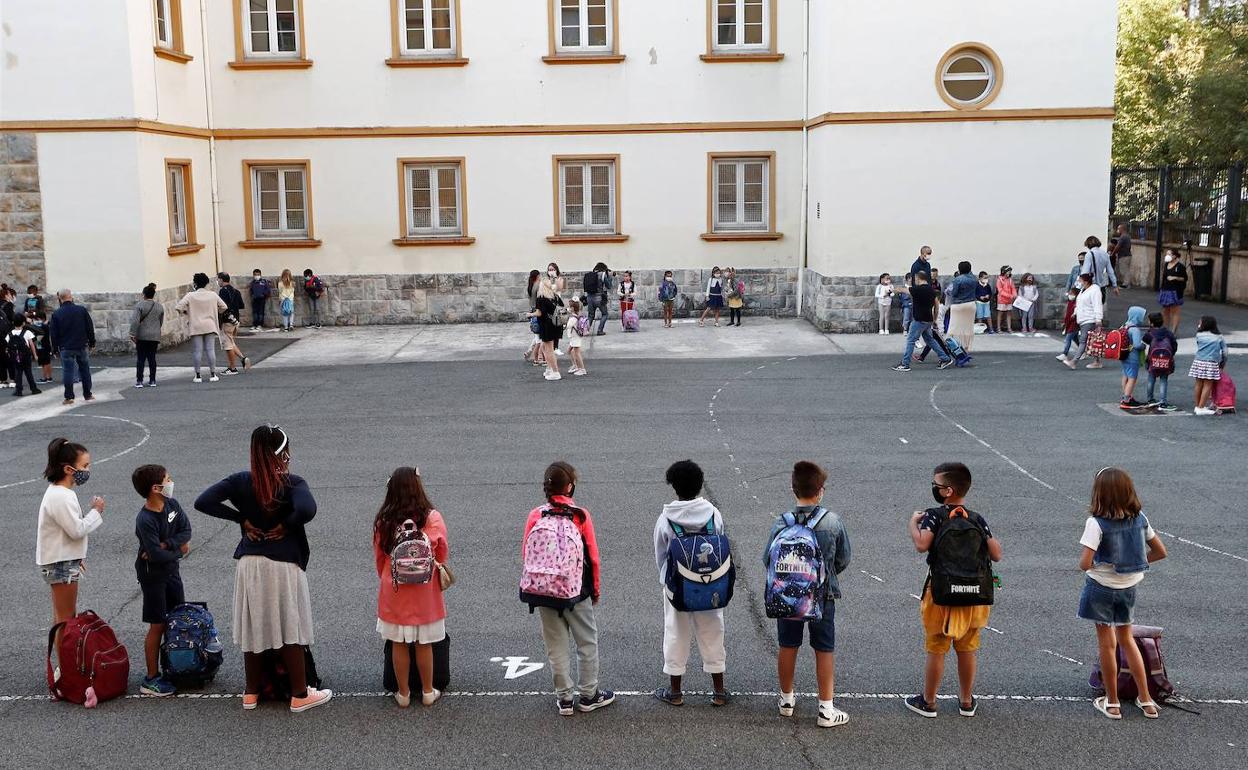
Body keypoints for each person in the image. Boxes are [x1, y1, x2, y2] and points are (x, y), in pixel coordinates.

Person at [194, 426, 332, 713]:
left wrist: (241, 519)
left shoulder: (240, 481)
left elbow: (203, 501)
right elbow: (307, 509)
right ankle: (299, 694)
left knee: (255, 626)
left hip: (250, 563)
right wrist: (286, 524)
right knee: (290, 627)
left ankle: (251, 692)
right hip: (282, 563)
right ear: (283, 453)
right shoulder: (292, 483)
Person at [906, 462, 1003, 719]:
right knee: (967, 647)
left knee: (937, 646)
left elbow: (922, 545)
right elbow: (996, 553)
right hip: (974, 594)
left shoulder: (935, 516)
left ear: (948, 491)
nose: (934, 488)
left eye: (936, 485)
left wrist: (913, 524)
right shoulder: (975, 518)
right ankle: (966, 701)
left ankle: (928, 701)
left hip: (941, 592)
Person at [523, 461, 614, 716]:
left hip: (544, 591)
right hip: (576, 591)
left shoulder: (536, 515)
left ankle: (564, 698)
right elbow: (593, 557)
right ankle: (589, 695)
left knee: (556, 646)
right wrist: (595, 590)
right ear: (570, 487)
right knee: (586, 642)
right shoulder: (580, 515)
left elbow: (527, 554)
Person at [767, 461, 851, 728]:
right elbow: (843, 558)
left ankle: (786, 700)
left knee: (788, 645)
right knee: (824, 648)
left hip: (788, 597)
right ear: (820, 491)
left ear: (793, 489)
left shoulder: (782, 522)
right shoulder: (832, 522)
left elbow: (768, 558)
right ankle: (826, 708)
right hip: (822, 595)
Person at [1078, 468, 1167, 720]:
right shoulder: (1140, 518)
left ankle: (1113, 702)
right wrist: (1134, 564)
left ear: (1099, 493)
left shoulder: (1096, 523)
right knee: (1127, 639)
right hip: (1128, 587)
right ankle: (1146, 700)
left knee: (1107, 645)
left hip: (1100, 587)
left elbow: (1084, 563)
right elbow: (1160, 551)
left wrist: (1100, 566)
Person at [652, 460, 728, 708]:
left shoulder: (666, 518)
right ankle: (719, 691)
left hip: (678, 587)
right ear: (700, 484)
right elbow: (720, 540)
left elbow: (660, 554)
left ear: (674, 487)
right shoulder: (713, 514)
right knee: (713, 631)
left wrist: (667, 579)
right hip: (711, 584)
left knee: (676, 632)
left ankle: (675, 692)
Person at [373, 467, 448, 708]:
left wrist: (388, 576)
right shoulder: (432, 518)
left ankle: (403, 693)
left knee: (399, 642)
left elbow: (380, 558)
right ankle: (427, 691)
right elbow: (442, 552)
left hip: (395, 588)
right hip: (425, 590)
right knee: (424, 643)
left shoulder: (384, 521)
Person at [37, 438, 105, 672]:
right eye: (84, 466)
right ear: (68, 469)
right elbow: (76, 530)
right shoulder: (61, 496)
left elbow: (64, 533)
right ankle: (66, 670)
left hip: (62, 560)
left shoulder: (60, 492)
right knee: (66, 619)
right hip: (61, 564)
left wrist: (76, 557)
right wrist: (96, 511)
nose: (87, 470)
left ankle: (65, 667)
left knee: (62, 617)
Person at [131, 464, 191, 697]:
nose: (171, 482)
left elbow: (186, 530)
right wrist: (179, 550)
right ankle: (151, 678)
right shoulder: (145, 519)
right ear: (156, 488)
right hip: (153, 576)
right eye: (168, 479)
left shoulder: (172, 505)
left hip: (172, 571)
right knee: (158, 624)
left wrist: (167, 544)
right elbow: (154, 556)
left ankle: (173, 665)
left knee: (176, 619)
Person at [892, 272, 952, 372]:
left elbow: (904, 290)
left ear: (918, 278)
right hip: (928, 319)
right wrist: (934, 320)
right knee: (930, 340)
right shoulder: (932, 290)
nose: (915, 281)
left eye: (915, 279)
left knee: (911, 340)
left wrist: (895, 289)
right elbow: (936, 307)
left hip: (919, 319)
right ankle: (945, 358)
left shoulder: (918, 289)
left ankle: (905, 364)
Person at [175, 274, 227, 384]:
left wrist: (186, 313)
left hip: (196, 325)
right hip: (210, 324)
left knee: (197, 351)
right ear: (207, 283)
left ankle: (198, 375)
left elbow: (178, 307)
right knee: (210, 350)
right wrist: (216, 312)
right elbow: (224, 307)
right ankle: (212, 374)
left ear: (195, 283)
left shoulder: (190, 295)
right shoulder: (212, 295)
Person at [49, 288, 96, 405]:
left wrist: (55, 349)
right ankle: (88, 394)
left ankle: (69, 397)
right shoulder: (81, 310)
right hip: (81, 345)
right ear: (70, 296)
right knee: (85, 370)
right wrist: (92, 342)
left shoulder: (56, 314)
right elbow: (89, 327)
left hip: (66, 347)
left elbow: (54, 334)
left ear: (60, 298)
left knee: (68, 371)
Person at [527, 276, 564, 381]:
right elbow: (561, 306)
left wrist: (530, 314)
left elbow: (539, 313)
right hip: (556, 324)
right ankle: (549, 368)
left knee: (549, 350)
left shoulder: (541, 298)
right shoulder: (554, 296)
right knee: (544, 348)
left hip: (546, 326)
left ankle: (555, 372)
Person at [1189, 315, 1227, 415]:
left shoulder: (1199, 335)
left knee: (1198, 383)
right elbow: (1225, 352)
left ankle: (1197, 406)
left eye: (1200, 322)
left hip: (1198, 361)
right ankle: (1201, 408)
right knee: (1207, 384)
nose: (1199, 324)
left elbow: (1199, 345)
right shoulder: (1219, 337)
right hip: (1211, 362)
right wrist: (1222, 364)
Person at [1065, 273, 1104, 370]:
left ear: (1086, 282)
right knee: (1092, 340)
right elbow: (1079, 303)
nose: (1079, 282)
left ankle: (1074, 361)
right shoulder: (1083, 290)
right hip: (1082, 319)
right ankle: (1097, 361)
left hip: (1090, 319)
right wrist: (1075, 313)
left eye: (1080, 281)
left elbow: (1097, 305)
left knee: (1083, 340)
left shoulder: (1095, 290)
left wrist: (1098, 319)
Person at [129, 283, 163, 388]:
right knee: (152, 358)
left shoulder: (139, 306)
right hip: (154, 336)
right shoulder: (159, 306)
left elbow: (135, 321)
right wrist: (156, 330)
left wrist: (132, 333)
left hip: (142, 336)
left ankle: (139, 381)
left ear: (144, 294)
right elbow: (160, 321)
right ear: (153, 294)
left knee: (141, 359)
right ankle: (152, 380)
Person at [1142, 312, 1178, 411]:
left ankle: (1150, 399)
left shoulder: (1150, 334)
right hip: (1165, 361)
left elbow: (1144, 342)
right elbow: (1174, 345)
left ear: (1152, 323)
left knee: (1151, 379)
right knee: (1163, 380)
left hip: (1152, 361)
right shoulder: (1168, 333)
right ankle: (1163, 402)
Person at [217, 272, 249, 375]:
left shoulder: (223, 291)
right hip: (235, 320)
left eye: (218, 279)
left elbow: (222, 306)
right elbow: (241, 305)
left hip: (227, 321)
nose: (217, 281)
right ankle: (243, 359)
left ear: (221, 280)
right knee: (231, 342)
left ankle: (232, 368)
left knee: (228, 345)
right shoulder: (236, 291)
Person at [1118, 306, 1148, 410]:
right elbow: (1137, 345)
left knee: (1125, 375)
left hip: (1123, 355)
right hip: (1132, 356)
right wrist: (1144, 346)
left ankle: (1126, 396)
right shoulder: (1135, 329)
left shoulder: (1124, 326)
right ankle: (1126, 400)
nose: (1142, 318)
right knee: (1132, 378)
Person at [946, 262, 978, 351]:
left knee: (953, 326)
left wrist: (948, 292)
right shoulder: (974, 279)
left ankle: (949, 345)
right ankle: (967, 346)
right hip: (971, 304)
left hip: (958, 305)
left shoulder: (957, 280)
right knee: (968, 327)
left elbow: (954, 293)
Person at [8, 313, 40, 396]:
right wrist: (35, 355)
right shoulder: (27, 332)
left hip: (15, 356)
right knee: (28, 372)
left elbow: (8, 345)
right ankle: (34, 389)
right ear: (23, 323)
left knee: (18, 373)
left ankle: (18, 391)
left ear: (13, 322)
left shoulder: (10, 333)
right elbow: (32, 345)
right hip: (26, 356)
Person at [1158, 249, 1187, 333]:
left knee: (1175, 311)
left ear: (1174, 256)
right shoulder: (1166, 264)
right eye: (1167, 254)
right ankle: (1165, 328)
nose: (1167, 256)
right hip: (1165, 289)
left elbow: (1184, 278)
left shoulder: (1180, 266)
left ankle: (1173, 331)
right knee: (1165, 310)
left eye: (1169, 254)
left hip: (1175, 291)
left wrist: (1175, 278)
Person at [1084, 236, 1120, 302]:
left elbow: (1085, 272)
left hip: (1091, 285)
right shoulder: (1105, 254)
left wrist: (1081, 285)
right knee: (1100, 305)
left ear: (1088, 244)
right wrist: (1115, 285)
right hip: (1101, 286)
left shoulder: (1089, 254)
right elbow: (1110, 271)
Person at [583, 262, 614, 336]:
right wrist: (610, 277)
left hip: (589, 298)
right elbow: (609, 286)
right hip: (599, 298)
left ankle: (585, 330)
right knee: (605, 314)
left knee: (590, 315)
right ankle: (600, 330)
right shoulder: (602, 274)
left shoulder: (590, 275)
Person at [524, 270, 545, 366]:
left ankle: (531, 353)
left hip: (532, 311)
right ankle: (538, 358)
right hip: (537, 312)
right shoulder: (538, 286)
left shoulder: (531, 286)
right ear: (537, 276)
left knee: (537, 337)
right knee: (539, 339)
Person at [1055, 284, 1081, 363]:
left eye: (1071, 294)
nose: (1070, 295)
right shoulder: (1070, 302)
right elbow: (1068, 314)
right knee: (1075, 338)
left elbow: (1074, 313)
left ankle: (1065, 354)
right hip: (1070, 323)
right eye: (1069, 293)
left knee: (1068, 339)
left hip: (1074, 324)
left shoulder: (1077, 303)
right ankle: (1083, 351)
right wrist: (1065, 322)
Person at [565, 298, 588, 376]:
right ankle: (575, 365)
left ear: (572, 308)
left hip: (575, 337)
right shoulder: (578, 315)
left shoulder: (572, 318)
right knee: (569, 351)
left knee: (577, 353)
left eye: (569, 307)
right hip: (575, 337)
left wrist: (567, 316)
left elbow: (567, 326)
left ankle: (582, 369)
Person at [30, 309, 54, 384]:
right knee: (47, 362)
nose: (35, 321)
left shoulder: (43, 327)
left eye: (37, 319)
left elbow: (38, 338)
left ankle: (45, 377)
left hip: (42, 346)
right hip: (45, 345)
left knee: (44, 363)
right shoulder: (45, 326)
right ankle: (49, 377)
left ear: (42, 319)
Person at [1109, 223, 1133, 288]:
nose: (1118, 230)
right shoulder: (1127, 236)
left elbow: (1118, 246)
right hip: (1127, 255)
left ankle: (1126, 284)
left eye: (1118, 229)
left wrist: (1113, 253)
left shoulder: (1123, 237)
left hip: (1124, 256)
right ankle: (1126, 283)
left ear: (1122, 229)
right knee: (1125, 270)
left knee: (1124, 270)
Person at [994, 266, 1016, 335]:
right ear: (1004, 272)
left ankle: (1009, 328)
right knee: (1000, 314)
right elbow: (1000, 291)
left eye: (1010, 272)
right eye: (1008, 271)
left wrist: (1015, 294)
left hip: (1009, 300)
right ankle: (998, 328)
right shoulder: (999, 280)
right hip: (1002, 300)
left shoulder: (1010, 280)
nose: (1009, 273)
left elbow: (1013, 288)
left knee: (1009, 314)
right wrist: (1010, 295)